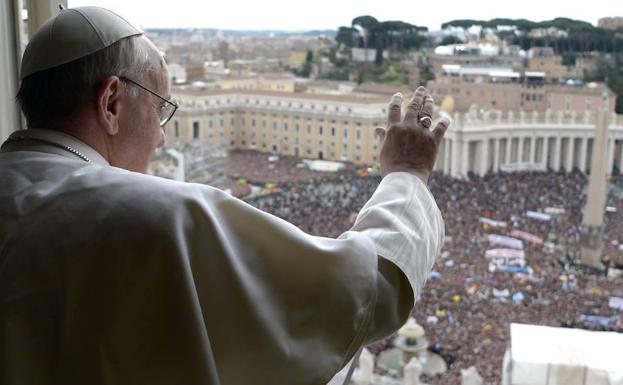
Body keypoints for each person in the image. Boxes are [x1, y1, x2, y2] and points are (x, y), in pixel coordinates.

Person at [0, 6, 449, 385]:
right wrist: (407, 174)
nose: (160, 138)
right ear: (112, 102)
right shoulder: (162, 217)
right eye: (160, 109)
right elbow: (369, 290)